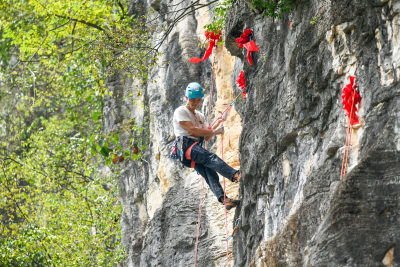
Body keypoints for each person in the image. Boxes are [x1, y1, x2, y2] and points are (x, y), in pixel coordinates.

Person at [172, 82, 241, 210]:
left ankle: (225, 200)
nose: (195, 103)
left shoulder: (200, 116)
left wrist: (219, 122)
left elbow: (206, 136)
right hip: (185, 145)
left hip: (193, 147)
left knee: (210, 173)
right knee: (211, 158)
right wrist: (215, 131)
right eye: (192, 100)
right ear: (187, 98)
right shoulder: (180, 111)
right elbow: (192, 130)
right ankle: (235, 175)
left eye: (198, 100)